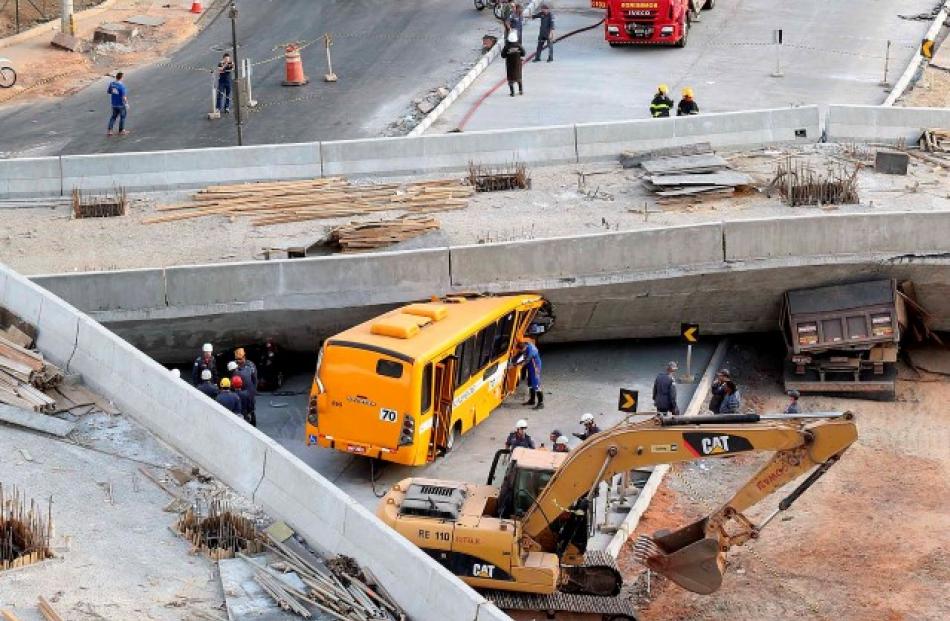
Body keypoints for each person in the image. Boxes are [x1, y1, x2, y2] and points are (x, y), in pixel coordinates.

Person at [518, 337, 543, 409]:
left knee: (536, 384)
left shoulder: (530, 351)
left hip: (535, 367)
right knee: (530, 384)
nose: (521, 352)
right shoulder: (526, 345)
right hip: (530, 366)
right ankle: (532, 400)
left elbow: (526, 360)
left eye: (521, 351)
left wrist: (516, 364)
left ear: (524, 348)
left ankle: (541, 403)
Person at [501, 30, 525, 97]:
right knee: (519, 78)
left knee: (510, 80)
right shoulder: (519, 45)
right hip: (518, 64)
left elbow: (503, 55)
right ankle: (521, 91)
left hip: (509, 65)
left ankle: (512, 93)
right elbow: (524, 53)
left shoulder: (506, 47)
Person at [106, 72, 129, 136]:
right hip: (121, 104)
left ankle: (110, 131)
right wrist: (126, 104)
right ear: (121, 78)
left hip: (114, 104)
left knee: (113, 117)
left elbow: (109, 91)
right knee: (122, 117)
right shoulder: (122, 86)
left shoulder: (112, 84)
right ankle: (121, 130)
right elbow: (124, 97)